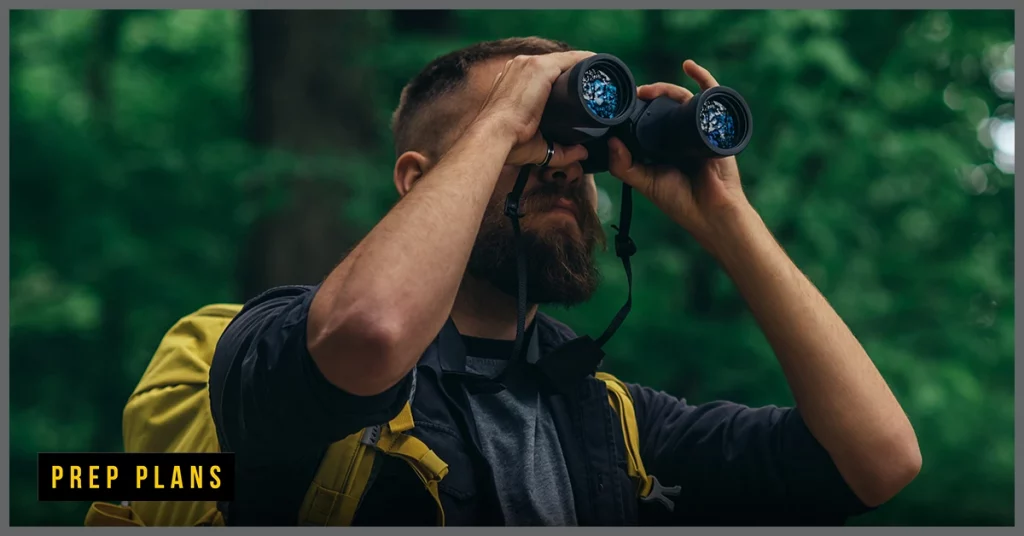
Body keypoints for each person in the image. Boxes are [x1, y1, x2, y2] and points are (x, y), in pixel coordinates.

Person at [208, 37, 921, 527]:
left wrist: (728, 217)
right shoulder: (282, 341)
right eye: (532, 135)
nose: (561, 165)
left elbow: (878, 461)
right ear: (417, 180)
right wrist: (498, 126)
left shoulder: (613, 422)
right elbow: (372, 333)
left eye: (574, 145)